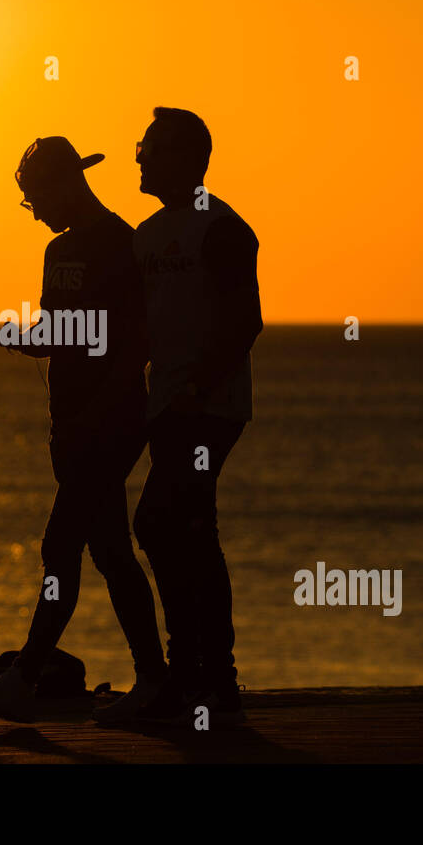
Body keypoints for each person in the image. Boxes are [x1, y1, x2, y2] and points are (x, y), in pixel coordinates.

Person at [0, 136, 167, 722]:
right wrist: (18, 340)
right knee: (109, 551)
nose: (37, 213)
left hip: (110, 421)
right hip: (72, 423)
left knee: (60, 546)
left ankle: (26, 675)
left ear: (68, 185)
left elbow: (135, 342)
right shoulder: (56, 255)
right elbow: (60, 335)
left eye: (38, 199)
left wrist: (98, 415)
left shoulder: (121, 244)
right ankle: (155, 678)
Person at [130, 107, 262, 725]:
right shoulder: (147, 235)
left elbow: (246, 321)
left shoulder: (225, 229)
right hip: (168, 407)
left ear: (186, 157)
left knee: (165, 521)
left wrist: (198, 388)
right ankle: (198, 684)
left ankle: (208, 680)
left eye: (151, 148)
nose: (138, 157)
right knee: (180, 528)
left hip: (208, 410)